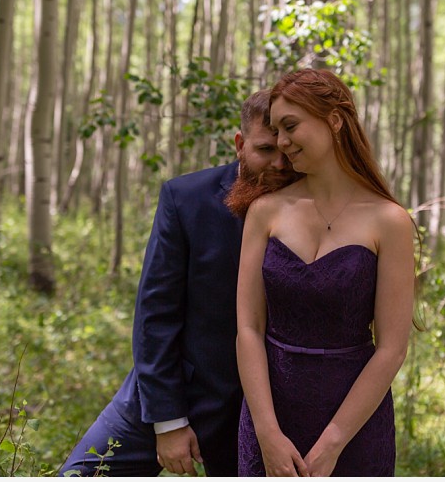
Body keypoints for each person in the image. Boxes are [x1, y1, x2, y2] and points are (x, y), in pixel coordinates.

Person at [59, 90, 295, 477]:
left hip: (261, 408)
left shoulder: (315, 206)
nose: (280, 164)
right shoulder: (185, 199)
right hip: (177, 384)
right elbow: (155, 314)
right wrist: (168, 421)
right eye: (265, 149)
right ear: (239, 145)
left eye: (288, 150)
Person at [234, 68, 416, 477]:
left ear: (334, 120)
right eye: (277, 130)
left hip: (353, 424)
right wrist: (266, 433)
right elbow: (248, 327)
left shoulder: (390, 221)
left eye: (291, 126)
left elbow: (392, 348)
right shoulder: (265, 211)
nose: (282, 142)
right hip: (270, 416)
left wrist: (333, 442)